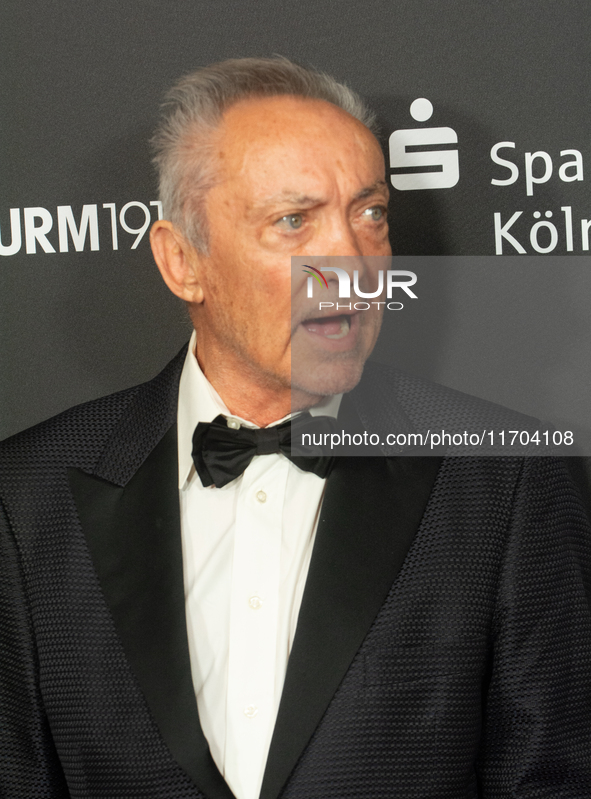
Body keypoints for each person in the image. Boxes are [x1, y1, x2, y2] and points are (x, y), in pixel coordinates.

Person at [1, 57, 590, 799]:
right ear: (183, 261)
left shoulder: (504, 477)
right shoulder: (26, 501)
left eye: (369, 214)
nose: (348, 261)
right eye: (292, 220)